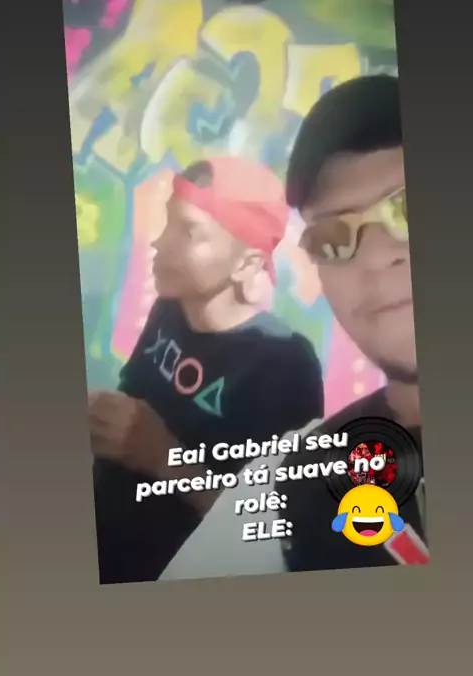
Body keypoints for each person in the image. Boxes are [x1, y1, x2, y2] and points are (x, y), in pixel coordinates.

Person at [159, 74, 427, 581]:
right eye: (332, 238)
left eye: (408, 207)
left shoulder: (282, 362)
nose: (375, 256)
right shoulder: (290, 476)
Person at [89, 156, 324, 584]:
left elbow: (269, 533)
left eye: (189, 231)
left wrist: (166, 459)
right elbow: (128, 406)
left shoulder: (284, 366)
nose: (160, 242)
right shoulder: (170, 307)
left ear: (246, 264)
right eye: (168, 222)